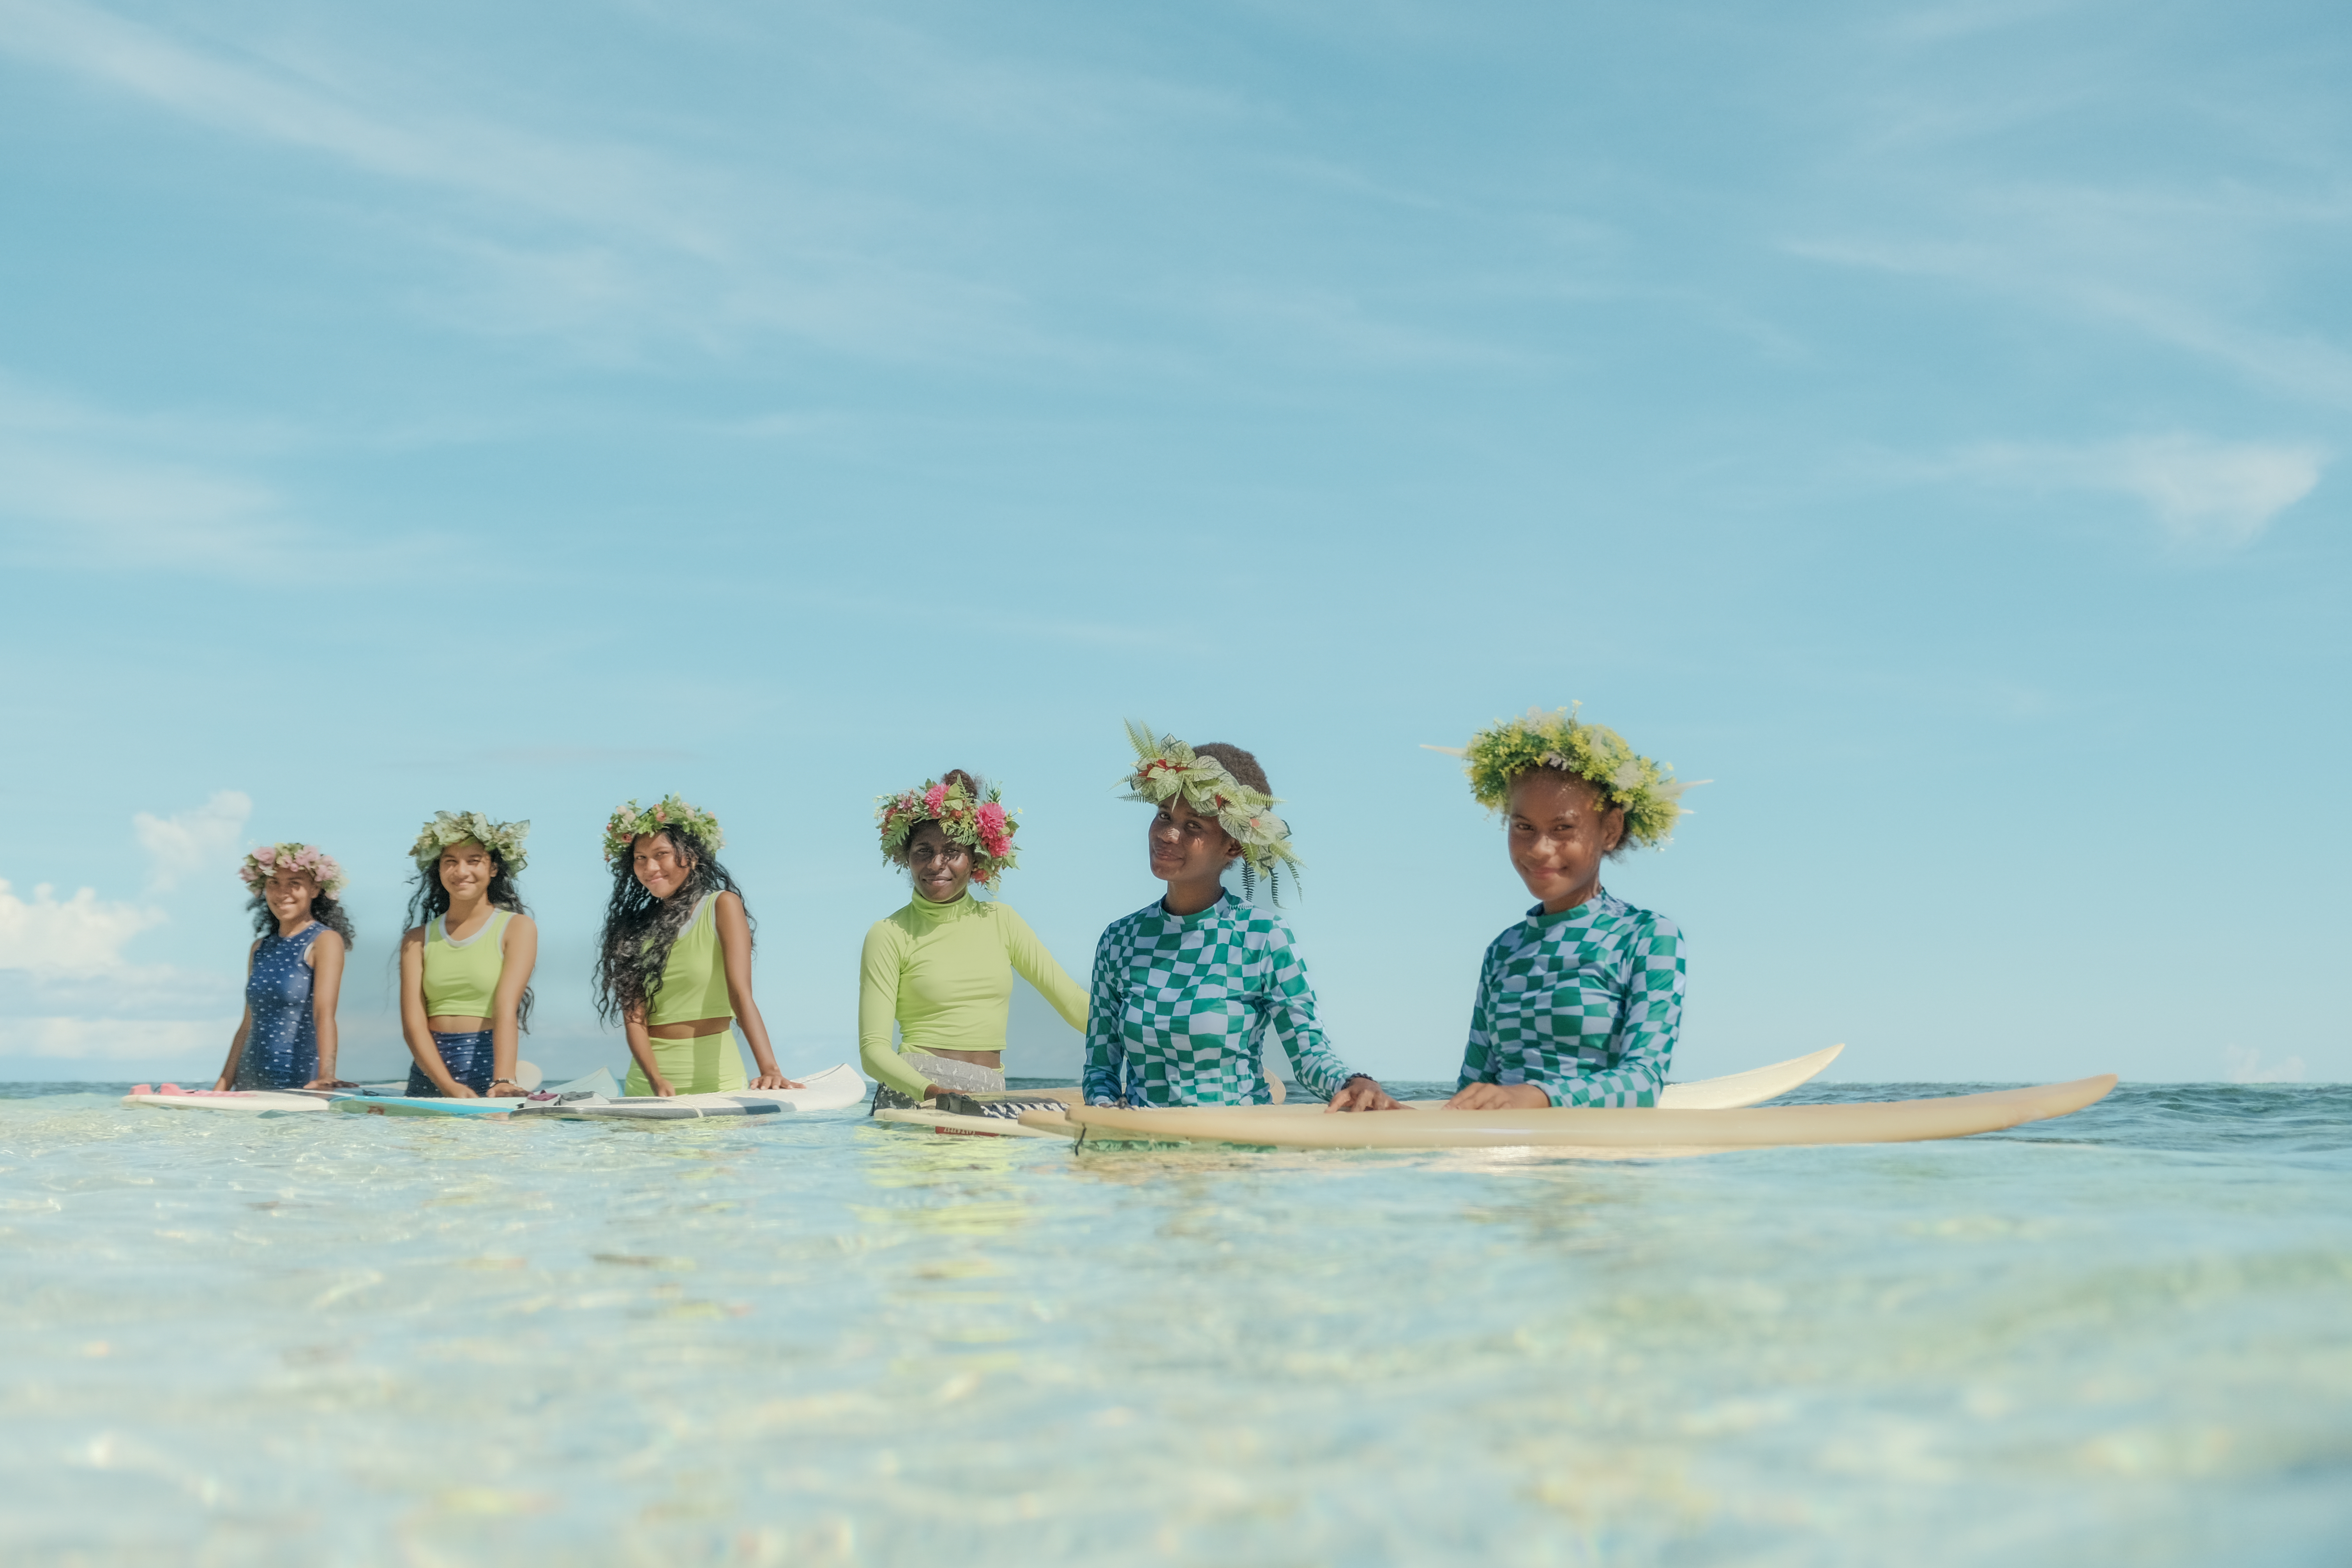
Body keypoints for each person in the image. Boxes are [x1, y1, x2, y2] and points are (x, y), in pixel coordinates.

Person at [1083, 723, 1400, 1112]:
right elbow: (1101, 1068)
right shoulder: (1120, 941)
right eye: (1165, 815)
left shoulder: (1263, 937)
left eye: (1193, 826)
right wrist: (1107, 1121)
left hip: (1238, 1160)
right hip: (1143, 1162)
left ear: (1233, 845)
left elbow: (1310, 1055)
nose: (1168, 834)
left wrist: (1355, 1084)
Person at [1432, 706, 1695, 1109]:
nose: (1540, 849)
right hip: (1505, 1166)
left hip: (1599, 1166)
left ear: (1610, 830)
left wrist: (1535, 1096)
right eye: (1524, 828)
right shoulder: (1504, 949)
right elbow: (1473, 1084)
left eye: (1563, 829)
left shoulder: (1647, 936)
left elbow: (1642, 1082)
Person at [861, 770, 1088, 1107]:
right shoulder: (889, 934)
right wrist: (933, 1092)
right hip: (915, 1094)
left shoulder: (1003, 922)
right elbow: (873, 1050)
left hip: (988, 1092)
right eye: (923, 851)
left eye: (952, 851)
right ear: (905, 856)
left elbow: (1073, 1004)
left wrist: (1154, 1039)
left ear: (976, 859)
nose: (937, 864)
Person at [595, 795, 798, 1097]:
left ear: (690, 856)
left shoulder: (722, 906)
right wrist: (656, 1081)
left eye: (661, 854)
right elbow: (635, 1020)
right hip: (649, 1082)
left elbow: (741, 993)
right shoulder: (633, 929)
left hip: (718, 1080)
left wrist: (770, 1070)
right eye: (640, 858)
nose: (650, 867)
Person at [397, 811, 539, 1099]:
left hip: (491, 1069)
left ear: (494, 869)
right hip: (429, 1073)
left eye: (474, 861)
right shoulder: (416, 940)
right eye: (450, 862)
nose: (461, 872)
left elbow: (506, 1007)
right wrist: (446, 1085)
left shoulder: (517, 928)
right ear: (438, 869)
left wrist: (503, 1079)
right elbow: (413, 1024)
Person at [212, 843, 355, 1090]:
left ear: (315, 889)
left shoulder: (324, 941)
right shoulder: (260, 948)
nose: (282, 893)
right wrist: (223, 1085)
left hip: (298, 1082)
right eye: (274, 883)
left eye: (294, 883)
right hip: (249, 1080)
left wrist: (326, 1076)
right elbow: (248, 1024)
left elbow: (324, 1015)